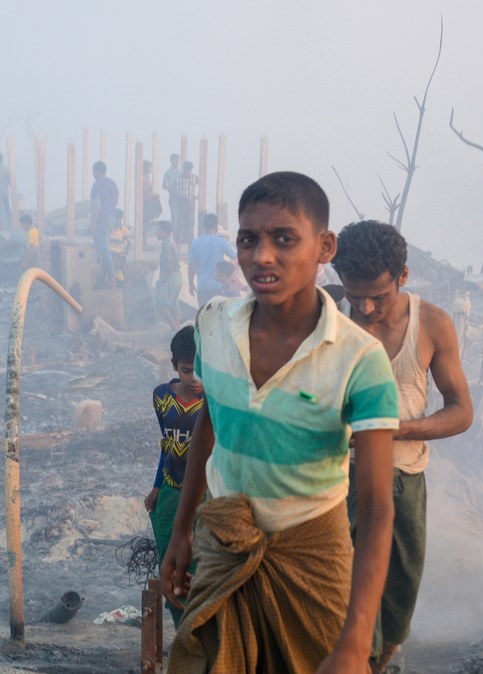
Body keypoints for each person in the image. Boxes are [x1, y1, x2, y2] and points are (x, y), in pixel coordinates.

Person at [162, 171, 400, 674]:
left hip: (311, 558)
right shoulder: (213, 323)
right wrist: (182, 530)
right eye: (248, 239)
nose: (261, 256)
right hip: (224, 545)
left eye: (284, 239)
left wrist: (356, 643)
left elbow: (378, 508)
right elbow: (213, 419)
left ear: (324, 246)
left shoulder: (361, 359)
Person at [331, 220, 474, 673]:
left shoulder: (432, 324)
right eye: (355, 297)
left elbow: (461, 411)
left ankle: (381, 656)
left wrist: (395, 430)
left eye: (379, 296)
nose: (366, 308)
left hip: (404, 478)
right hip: (336, 476)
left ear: (404, 276)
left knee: (397, 603)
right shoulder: (328, 317)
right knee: (347, 595)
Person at [146, 326, 204, 627]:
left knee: (203, 563)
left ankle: (202, 625)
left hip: (205, 494)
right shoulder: (162, 398)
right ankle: (183, 628)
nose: (193, 379)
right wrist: (157, 486)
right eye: (186, 371)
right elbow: (167, 445)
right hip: (171, 492)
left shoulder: (215, 401)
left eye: (200, 371)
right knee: (172, 563)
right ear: (173, 366)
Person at [186, 214, 237, 307]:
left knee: (204, 317)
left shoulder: (196, 243)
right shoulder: (221, 242)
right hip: (217, 286)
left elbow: (191, 266)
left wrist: (190, 284)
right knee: (217, 316)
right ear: (216, 226)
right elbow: (236, 255)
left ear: (203, 226)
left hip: (202, 287)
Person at [90, 161, 120, 288]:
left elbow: (96, 205)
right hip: (112, 216)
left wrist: (93, 223)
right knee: (104, 247)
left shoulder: (96, 185)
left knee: (104, 248)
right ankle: (106, 277)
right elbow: (116, 201)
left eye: (93, 172)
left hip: (102, 218)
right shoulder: (112, 183)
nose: (93, 174)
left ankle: (112, 277)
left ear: (97, 171)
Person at [153, 220, 183, 329]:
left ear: (165, 232)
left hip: (172, 277)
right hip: (177, 276)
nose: (156, 232)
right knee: (173, 306)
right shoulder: (171, 242)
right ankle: (177, 329)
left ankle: (175, 328)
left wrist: (162, 279)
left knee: (160, 303)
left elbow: (169, 265)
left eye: (158, 230)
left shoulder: (167, 245)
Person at [172, 161, 199, 245]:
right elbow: (172, 188)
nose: (188, 173)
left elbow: (203, 185)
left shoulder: (194, 177)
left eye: (189, 171)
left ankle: (190, 242)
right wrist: (176, 196)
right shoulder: (178, 177)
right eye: (186, 171)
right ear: (184, 169)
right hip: (180, 202)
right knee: (179, 222)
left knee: (190, 222)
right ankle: (177, 241)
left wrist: (197, 196)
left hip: (190, 202)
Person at [163, 153, 182, 234]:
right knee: (174, 216)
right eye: (175, 160)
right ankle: (175, 234)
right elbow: (164, 185)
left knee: (181, 216)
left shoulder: (181, 171)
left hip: (182, 197)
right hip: (173, 197)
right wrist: (170, 187)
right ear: (171, 161)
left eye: (178, 160)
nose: (177, 162)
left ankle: (181, 234)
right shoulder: (168, 172)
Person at [0, 153, 13, 229]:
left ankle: (0, 224)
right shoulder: (6, 169)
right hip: (5, 191)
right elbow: (10, 181)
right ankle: (9, 223)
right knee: (7, 207)